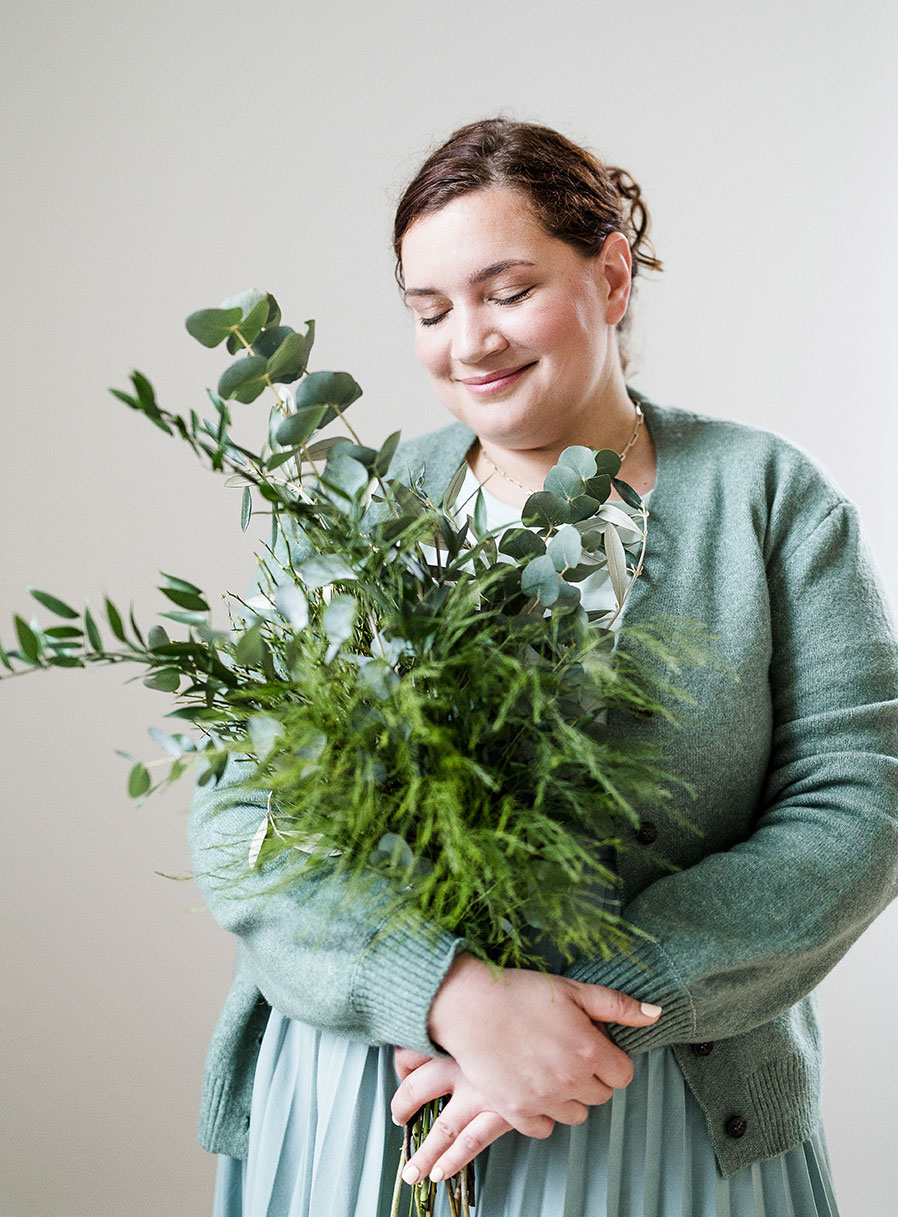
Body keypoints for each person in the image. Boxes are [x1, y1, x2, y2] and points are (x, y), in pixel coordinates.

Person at [191, 118, 898, 1216]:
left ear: (610, 274)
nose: (467, 340)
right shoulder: (349, 518)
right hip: (369, 1091)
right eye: (429, 310)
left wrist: (606, 998)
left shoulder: (766, 498)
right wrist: (443, 994)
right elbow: (243, 811)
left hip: (648, 1090)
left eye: (505, 290)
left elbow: (859, 800)